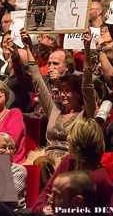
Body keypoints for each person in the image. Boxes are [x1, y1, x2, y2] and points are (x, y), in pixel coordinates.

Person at [22, 29, 96, 190]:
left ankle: (50, 197)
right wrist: (28, 47)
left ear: (78, 94)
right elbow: (38, 83)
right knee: (34, 164)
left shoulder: (85, 114)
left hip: (70, 164)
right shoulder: (55, 111)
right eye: (61, 90)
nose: (62, 94)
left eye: (67, 91)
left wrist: (88, 49)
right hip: (46, 160)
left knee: (41, 163)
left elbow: (88, 86)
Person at [32, 118, 113, 216]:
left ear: (75, 144)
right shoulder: (69, 160)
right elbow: (47, 191)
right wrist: (44, 209)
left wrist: (55, 213)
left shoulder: (101, 180)